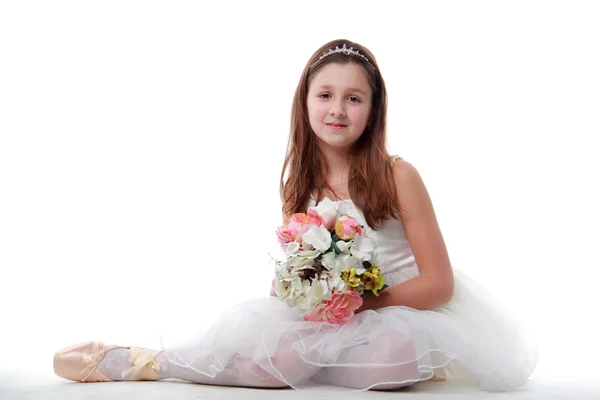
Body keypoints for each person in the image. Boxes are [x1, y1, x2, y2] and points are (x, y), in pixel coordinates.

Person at [53, 39, 537, 392]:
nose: (338, 110)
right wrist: (299, 293)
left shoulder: (397, 175)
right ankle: (147, 362)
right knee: (274, 358)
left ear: (373, 109)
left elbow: (439, 283)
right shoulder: (299, 184)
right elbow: (299, 266)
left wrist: (362, 307)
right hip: (335, 318)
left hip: (400, 309)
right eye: (325, 95)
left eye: (354, 98)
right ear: (305, 102)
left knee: (392, 357)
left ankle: (310, 368)